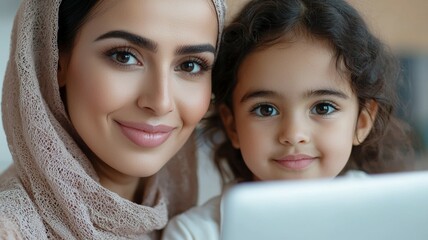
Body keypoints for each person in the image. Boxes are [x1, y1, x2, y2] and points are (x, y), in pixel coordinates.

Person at [162, 0, 414, 239]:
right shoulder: (194, 234)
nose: (293, 134)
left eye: (323, 107)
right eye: (265, 110)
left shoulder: (400, 218)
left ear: (362, 122)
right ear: (232, 125)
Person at [0, 0, 225, 239]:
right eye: (124, 57)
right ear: (54, 59)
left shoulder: (202, 219)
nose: (161, 102)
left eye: (190, 65)